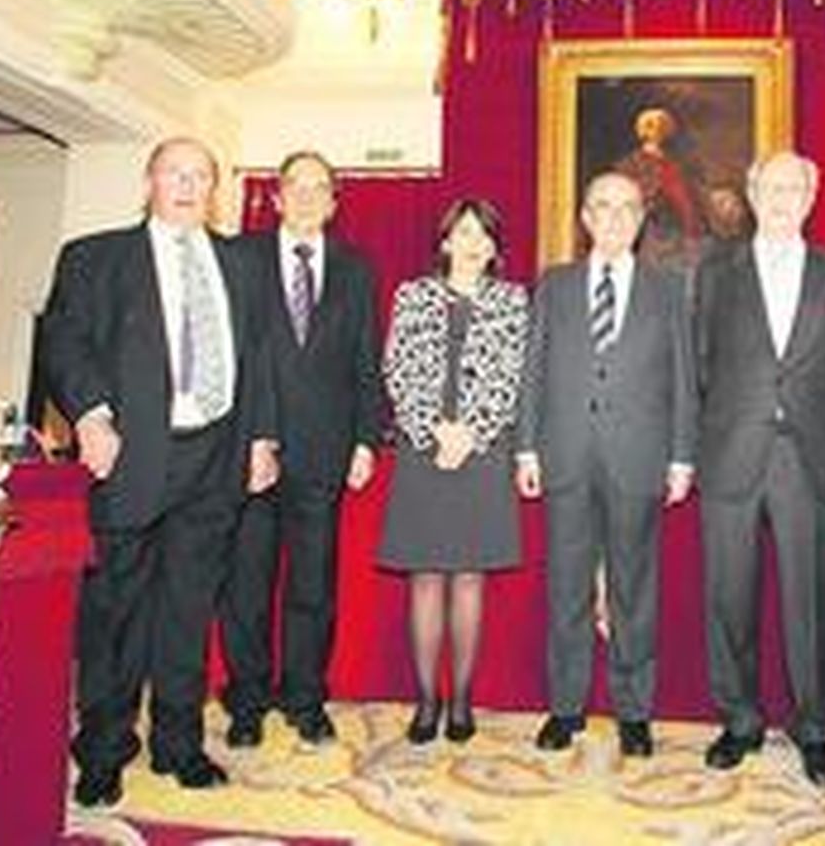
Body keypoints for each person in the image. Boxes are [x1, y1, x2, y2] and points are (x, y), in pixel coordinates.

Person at [41, 137, 279, 808]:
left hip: (216, 452)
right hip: (133, 450)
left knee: (189, 605)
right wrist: (88, 413)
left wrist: (261, 436)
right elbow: (65, 337)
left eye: (202, 175)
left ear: (215, 189)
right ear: (149, 181)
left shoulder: (240, 262)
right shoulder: (95, 256)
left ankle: (178, 742)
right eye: (175, 172)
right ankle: (105, 746)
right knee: (116, 609)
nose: (188, 184)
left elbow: (256, 356)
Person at [516, 171, 697, 757]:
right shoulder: (555, 285)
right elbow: (533, 372)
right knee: (566, 588)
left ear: (641, 219)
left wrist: (682, 456)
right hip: (565, 454)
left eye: (626, 208)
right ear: (586, 218)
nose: (614, 218)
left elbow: (684, 380)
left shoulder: (669, 289)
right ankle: (565, 708)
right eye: (602, 207)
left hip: (638, 458)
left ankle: (634, 712)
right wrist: (526, 446)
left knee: (633, 590)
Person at [694, 151, 825, 787]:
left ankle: (815, 730)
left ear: (812, 197)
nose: (784, 197)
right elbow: (702, 362)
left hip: (809, 457)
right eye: (773, 186)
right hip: (732, 449)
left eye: (797, 187)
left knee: (810, 602)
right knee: (727, 598)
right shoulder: (714, 270)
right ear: (753, 192)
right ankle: (739, 720)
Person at [218, 151, 382, 751]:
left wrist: (367, 437)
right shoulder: (238, 258)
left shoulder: (356, 269)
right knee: (247, 585)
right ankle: (247, 701)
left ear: (335, 203)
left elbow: (367, 359)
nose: (309, 198)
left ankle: (305, 698)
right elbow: (228, 358)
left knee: (314, 585)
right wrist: (247, 438)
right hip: (250, 452)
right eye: (297, 187)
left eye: (321, 189)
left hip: (325, 451)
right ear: (277, 197)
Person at [378, 198, 529, 744]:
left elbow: (512, 377)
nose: (471, 243)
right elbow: (396, 368)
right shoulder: (412, 296)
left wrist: (470, 434)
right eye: (462, 233)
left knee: (468, 578)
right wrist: (432, 431)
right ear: (445, 241)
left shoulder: (514, 302)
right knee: (424, 577)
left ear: (493, 247)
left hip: (482, 453)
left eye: (481, 235)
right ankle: (426, 701)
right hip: (424, 452)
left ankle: (462, 698)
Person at [615, 107, 701, 265]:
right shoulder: (631, 164)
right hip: (649, 232)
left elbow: (684, 201)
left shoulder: (673, 164)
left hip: (674, 233)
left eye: (662, 127)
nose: (657, 131)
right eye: (652, 126)